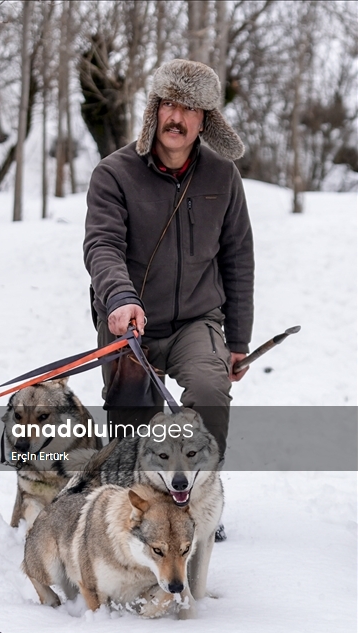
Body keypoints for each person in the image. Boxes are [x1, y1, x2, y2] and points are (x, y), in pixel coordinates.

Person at [83, 58, 254, 467]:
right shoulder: (113, 174)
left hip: (197, 322)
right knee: (131, 434)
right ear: (154, 109)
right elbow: (102, 245)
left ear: (205, 120)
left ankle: (199, 492)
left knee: (210, 391)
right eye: (169, 104)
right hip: (130, 323)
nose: (177, 118)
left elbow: (238, 257)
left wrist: (238, 341)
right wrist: (121, 299)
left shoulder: (223, 176)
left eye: (190, 108)